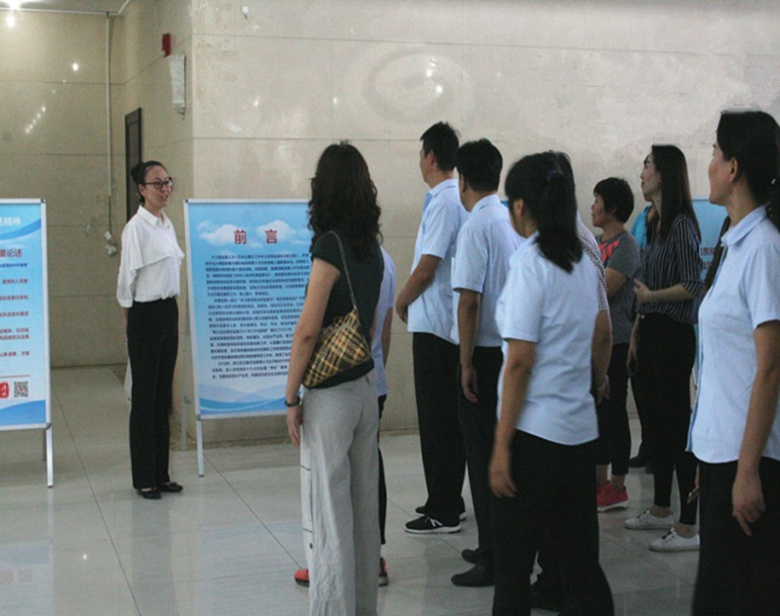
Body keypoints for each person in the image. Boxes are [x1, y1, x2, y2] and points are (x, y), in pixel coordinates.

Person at [490, 152, 614, 616]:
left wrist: (501, 446)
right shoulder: (582, 263)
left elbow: (519, 363)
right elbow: (601, 335)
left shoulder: (530, 264)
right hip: (578, 436)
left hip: (534, 440)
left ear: (521, 206)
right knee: (581, 566)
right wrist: (592, 383)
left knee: (513, 570)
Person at [285, 142, 383, 616]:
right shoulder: (372, 247)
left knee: (329, 514)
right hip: (365, 388)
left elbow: (308, 330)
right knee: (364, 513)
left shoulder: (329, 246)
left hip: (331, 397)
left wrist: (290, 397)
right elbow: (375, 321)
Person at [689, 109, 780, 614]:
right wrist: (710, 455)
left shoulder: (764, 249)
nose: (709, 164)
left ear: (733, 168)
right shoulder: (735, 244)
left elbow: (770, 367)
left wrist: (745, 470)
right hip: (724, 453)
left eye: (714, 153)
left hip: (752, 460)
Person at [293, 246, 395, 589]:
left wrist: (291, 396)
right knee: (366, 481)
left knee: (331, 491)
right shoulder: (381, 258)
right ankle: (372, 563)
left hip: (334, 386)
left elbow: (308, 331)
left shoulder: (333, 252)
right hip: (369, 379)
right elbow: (383, 326)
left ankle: (332, 577)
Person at [450, 139, 522, 587]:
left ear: (462, 180)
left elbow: (470, 302)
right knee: (500, 453)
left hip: (485, 355)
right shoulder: (509, 220)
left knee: (482, 461)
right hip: (510, 351)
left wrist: (465, 363)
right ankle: (495, 546)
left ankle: (493, 558)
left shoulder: (475, 225)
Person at [624, 145, 703, 552]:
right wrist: (637, 333)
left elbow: (692, 284)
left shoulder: (683, 225)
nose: (642, 173)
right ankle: (659, 509)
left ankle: (688, 524)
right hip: (651, 331)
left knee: (675, 429)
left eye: (648, 166)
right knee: (655, 427)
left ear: (665, 175)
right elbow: (644, 288)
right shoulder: (654, 223)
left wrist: (653, 299)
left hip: (673, 334)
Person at [396, 121, 468, 534]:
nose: (419, 161)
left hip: (437, 327)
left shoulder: (444, 202)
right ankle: (445, 496)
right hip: (441, 323)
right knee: (442, 418)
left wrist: (402, 299)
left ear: (431, 157)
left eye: (421, 153)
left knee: (438, 420)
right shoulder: (449, 199)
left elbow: (428, 266)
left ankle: (444, 508)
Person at [117, 160, 184, 500]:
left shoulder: (166, 224)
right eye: (157, 183)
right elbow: (126, 282)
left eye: (167, 181)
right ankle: (144, 478)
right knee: (144, 397)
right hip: (144, 314)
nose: (165, 188)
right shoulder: (136, 228)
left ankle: (161, 474)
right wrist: (128, 323)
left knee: (162, 397)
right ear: (142, 190)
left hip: (168, 311)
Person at [592, 178, 640, 512]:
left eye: (597, 200)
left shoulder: (627, 245)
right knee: (597, 412)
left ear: (612, 207)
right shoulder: (595, 243)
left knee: (614, 413)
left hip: (618, 339)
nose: (592, 206)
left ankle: (618, 485)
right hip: (595, 339)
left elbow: (603, 289)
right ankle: (599, 482)